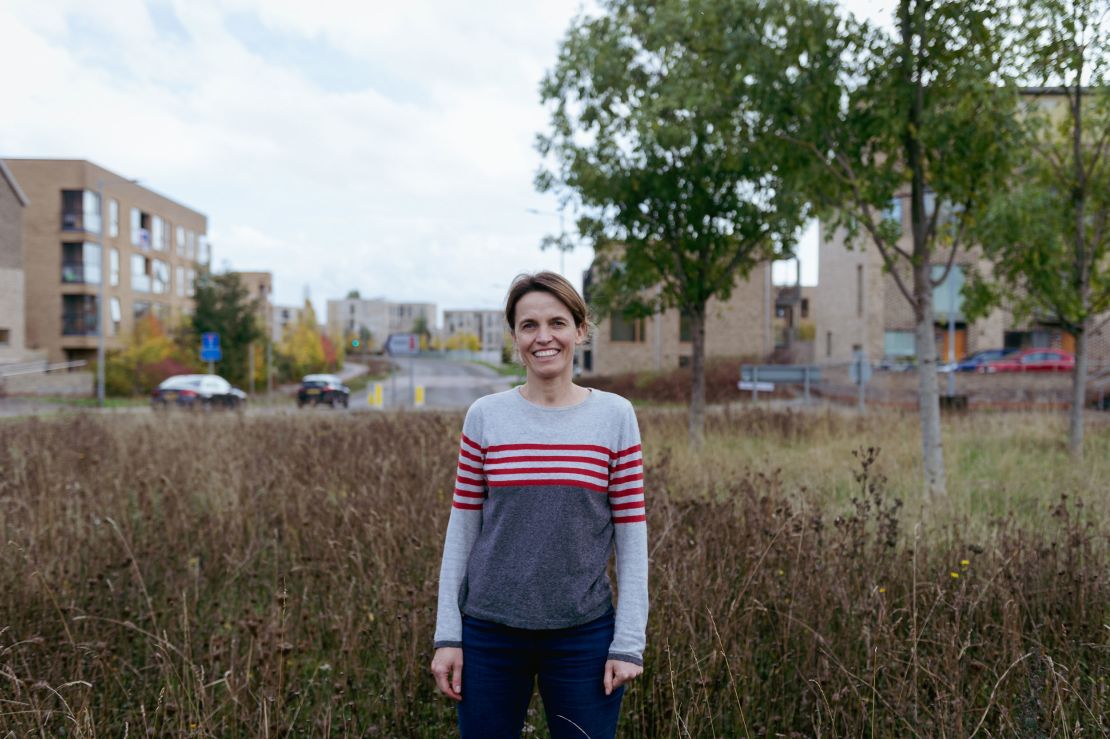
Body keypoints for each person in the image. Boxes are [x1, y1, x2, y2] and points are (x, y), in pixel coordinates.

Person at [430, 271, 649, 738]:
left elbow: (633, 535)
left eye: (557, 322)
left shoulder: (615, 417)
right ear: (515, 337)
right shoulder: (486, 417)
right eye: (529, 325)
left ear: (580, 330)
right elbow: (462, 529)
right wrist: (449, 636)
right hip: (489, 635)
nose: (544, 336)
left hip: (583, 635)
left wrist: (628, 643)